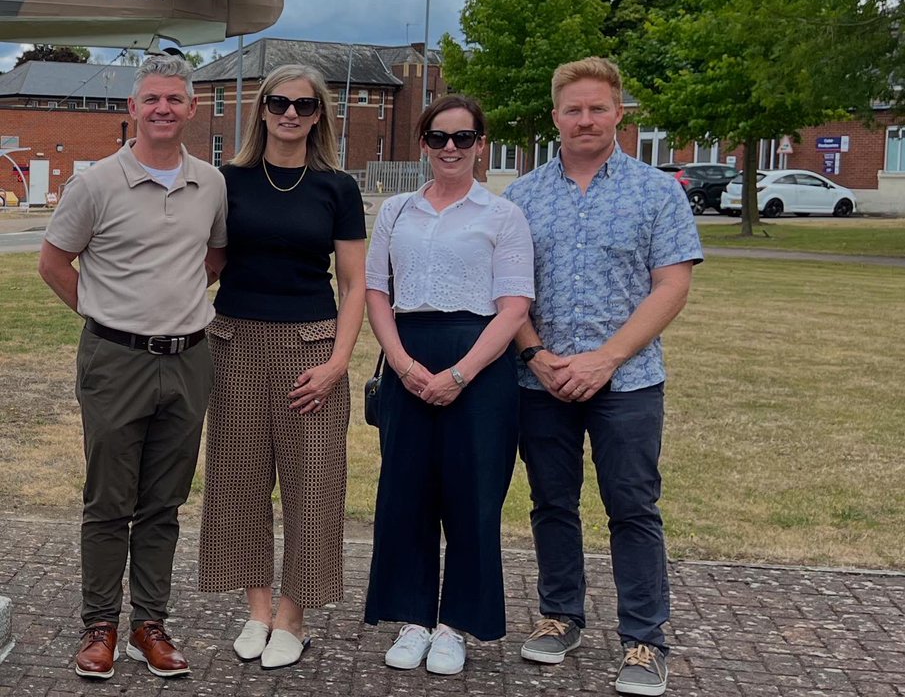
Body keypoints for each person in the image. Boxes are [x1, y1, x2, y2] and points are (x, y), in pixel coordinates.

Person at [505, 57, 702, 697]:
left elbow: (672, 284)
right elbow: (509, 292)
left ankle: (645, 639)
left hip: (629, 381)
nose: (585, 119)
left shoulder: (657, 191)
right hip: (543, 381)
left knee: (633, 508)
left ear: (620, 112)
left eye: (597, 108)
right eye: (573, 109)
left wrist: (606, 358)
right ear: (555, 116)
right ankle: (561, 615)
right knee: (552, 505)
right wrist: (536, 355)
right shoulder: (523, 197)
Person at [37, 56, 227, 681]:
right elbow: (55, 262)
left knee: (164, 502)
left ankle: (150, 623)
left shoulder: (211, 183)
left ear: (192, 108)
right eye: (152, 99)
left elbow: (215, 255)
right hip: (115, 361)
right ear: (132, 108)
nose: (163, 109)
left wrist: (173, 304)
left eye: (175, 99)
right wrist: (105, 314)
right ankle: (100, 625)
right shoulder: (95, 185)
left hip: (188, 359)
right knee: (109, 499)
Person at [198, 64, 366, 670]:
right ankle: (257, 611)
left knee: (312, 486)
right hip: (235, 342)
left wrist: (338, 362)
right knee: (239, 481)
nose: (289, 113)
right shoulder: (227, 181)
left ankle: (294, 617)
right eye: (278, 102)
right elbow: (208, 265)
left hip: (310, 348)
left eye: (303, 104)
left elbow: (353, 285)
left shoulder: (337, 188)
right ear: (262, 108)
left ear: (319, 114)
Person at [364, 95, 534, 676]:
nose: (452, 149)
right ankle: (412, 617)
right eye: (440, 138)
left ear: (481, 144)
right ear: (425, 145)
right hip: (407, 357)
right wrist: (403, 363)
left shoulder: (503, 216)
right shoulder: (396, 210)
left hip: (479, 367)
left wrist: (461, 373)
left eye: (464, 138)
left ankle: (455, 624)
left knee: (473, 496)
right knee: (407, 492)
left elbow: (514, 308)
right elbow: (376, 292)